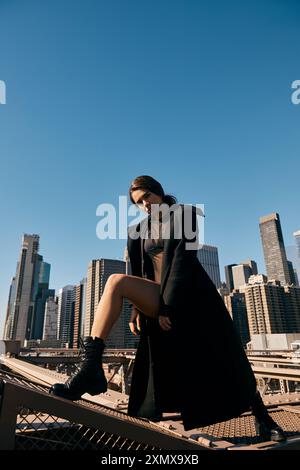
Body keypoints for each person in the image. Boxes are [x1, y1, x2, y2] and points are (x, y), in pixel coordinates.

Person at [49, 175, 285, 441]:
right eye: (138, 203)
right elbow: (139, 274)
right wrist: (138, 309)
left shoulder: (185, 215)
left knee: (229, 358)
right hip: (158, 297)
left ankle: (263, 418)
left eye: (147, 197)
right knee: (116, 282)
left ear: (158, 193)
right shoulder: (137, 232)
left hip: (194, 298)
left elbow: (184, 261)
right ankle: (90, 367)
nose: (145, 205)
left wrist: (166, 307)